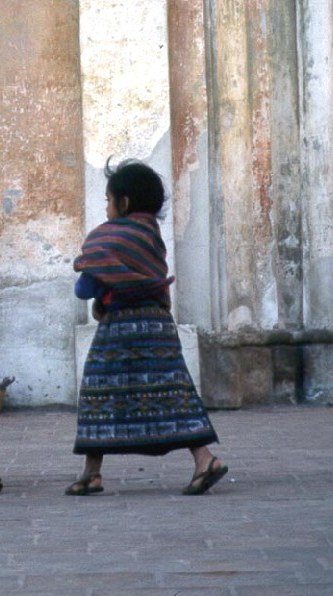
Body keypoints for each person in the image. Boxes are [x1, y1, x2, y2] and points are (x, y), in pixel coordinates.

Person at [66, 160, 227, 497]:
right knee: (173, 394)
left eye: (108, 200)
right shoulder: (151, 235)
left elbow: (84, 289)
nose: (107, 209)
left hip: (118, 331)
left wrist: (100, 278)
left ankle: (91, 473)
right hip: (157, 328)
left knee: (100, 395)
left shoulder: (108, 237)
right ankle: (204, 459)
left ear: (123, 203)